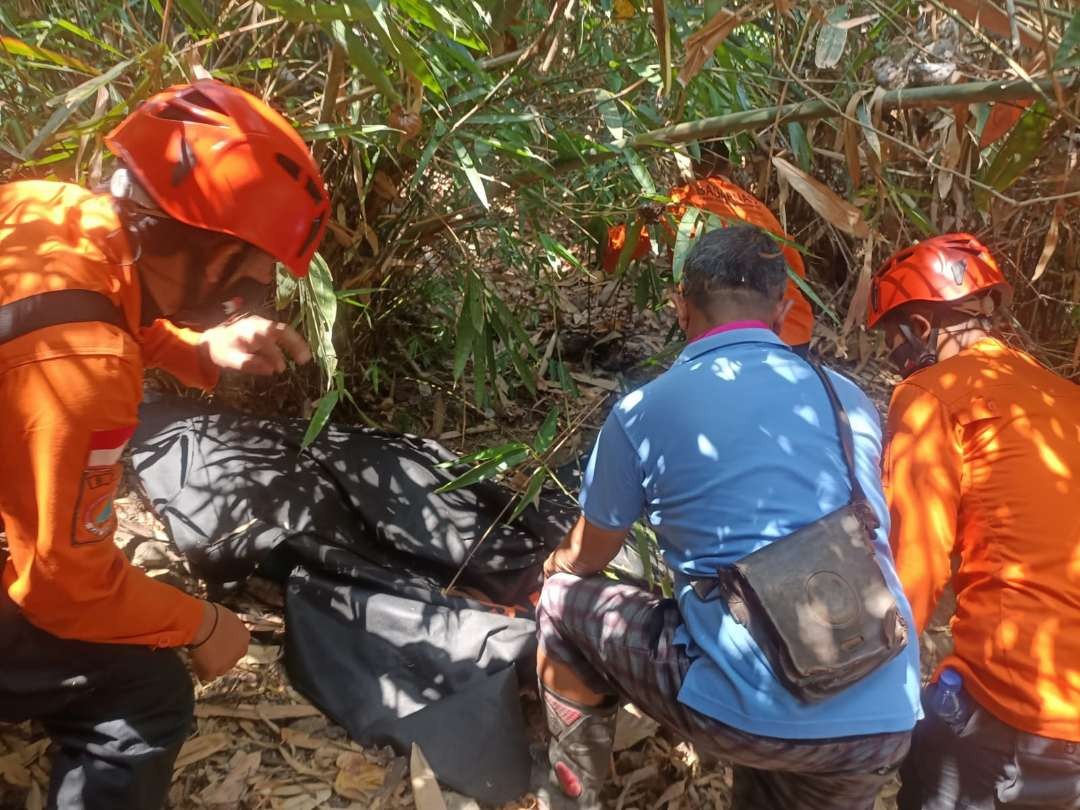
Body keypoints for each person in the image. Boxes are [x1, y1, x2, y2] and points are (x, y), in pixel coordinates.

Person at [0, 79, 329, 809]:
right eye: (251, 260)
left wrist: (202, 352)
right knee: (144, 694)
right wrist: (204, 622)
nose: (261, 284)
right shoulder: (84, 368)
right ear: (192, 241)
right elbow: (64, 589)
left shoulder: (51, 211)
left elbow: (89, 310)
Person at [536, 224, 921, 810]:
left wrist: (556, 564)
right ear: (783, 308)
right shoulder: (846, 398)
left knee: (563, 602)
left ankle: (572, 799)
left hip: (748, 710)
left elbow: (593, 552)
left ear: (680, 306)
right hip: (879, 713)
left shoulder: (644, 409)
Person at [867, 233, 1080, 810]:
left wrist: (866, 690)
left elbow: (914, 566)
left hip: (1016, 706)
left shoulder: (931, 393)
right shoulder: (1063, 396)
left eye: (893, 337)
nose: (894, 354)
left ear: (920, 327)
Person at [601, 175, 815, 352]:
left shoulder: (682, 200)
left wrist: (601, 243)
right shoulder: (748, 204)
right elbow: (795, 272)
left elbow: (618, 250)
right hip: (791, 326)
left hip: (727, 336)